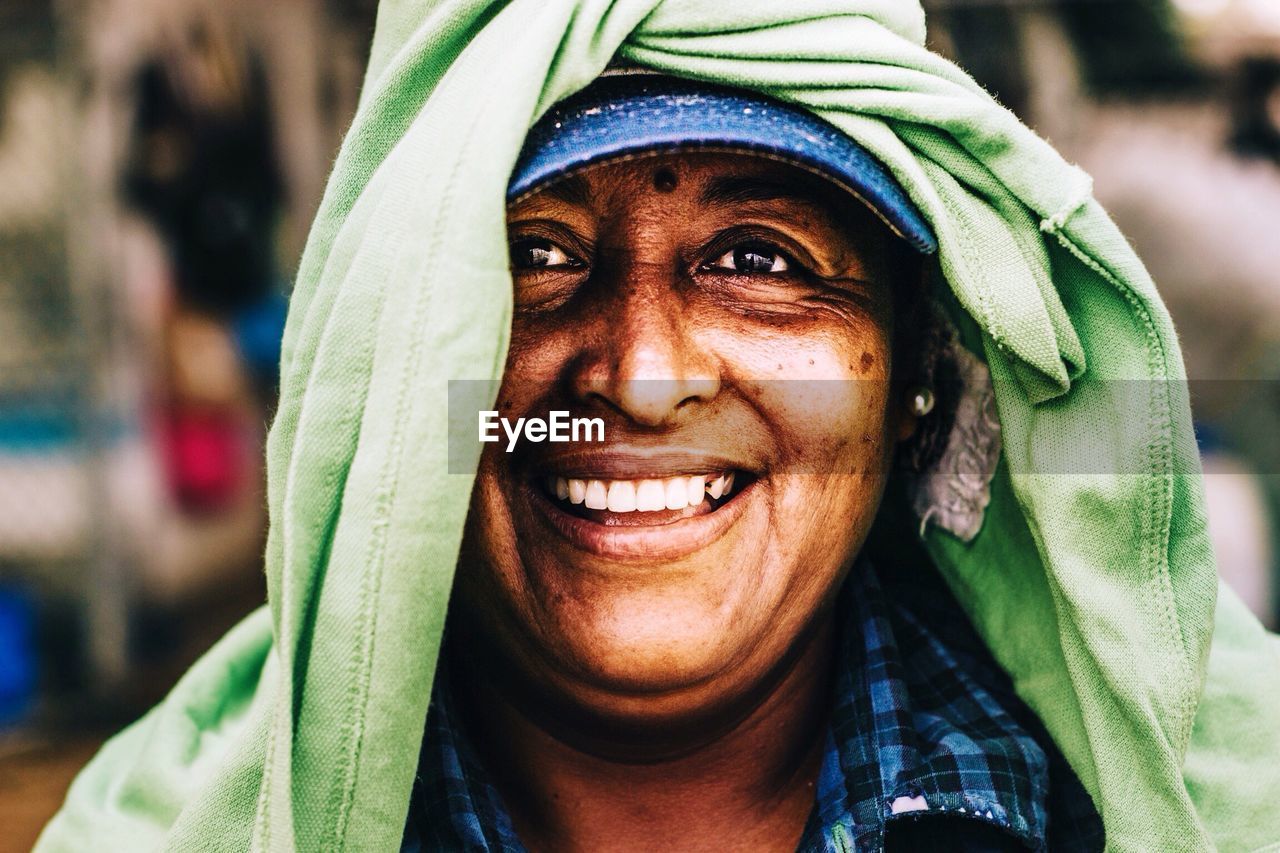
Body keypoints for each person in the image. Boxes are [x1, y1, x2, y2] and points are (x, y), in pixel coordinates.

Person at [37, 2, 1280, 851]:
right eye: (532, 256)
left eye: (758, 257)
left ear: (918, 383)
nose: (639, 378)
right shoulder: (161, 827)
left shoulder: (1211, 800)